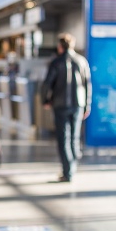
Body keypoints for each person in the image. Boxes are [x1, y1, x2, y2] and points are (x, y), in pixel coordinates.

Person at [42, 33, 91, 182]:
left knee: (63, 138)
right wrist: (87, 104)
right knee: (75, 137)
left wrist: (46, 99)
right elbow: (87, 83)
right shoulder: (82, 61)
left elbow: (47, 84)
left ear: (60, 46)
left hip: (60, 104)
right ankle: (73, 164)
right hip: (78, 104)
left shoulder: (56, 62)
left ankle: (68, 171)